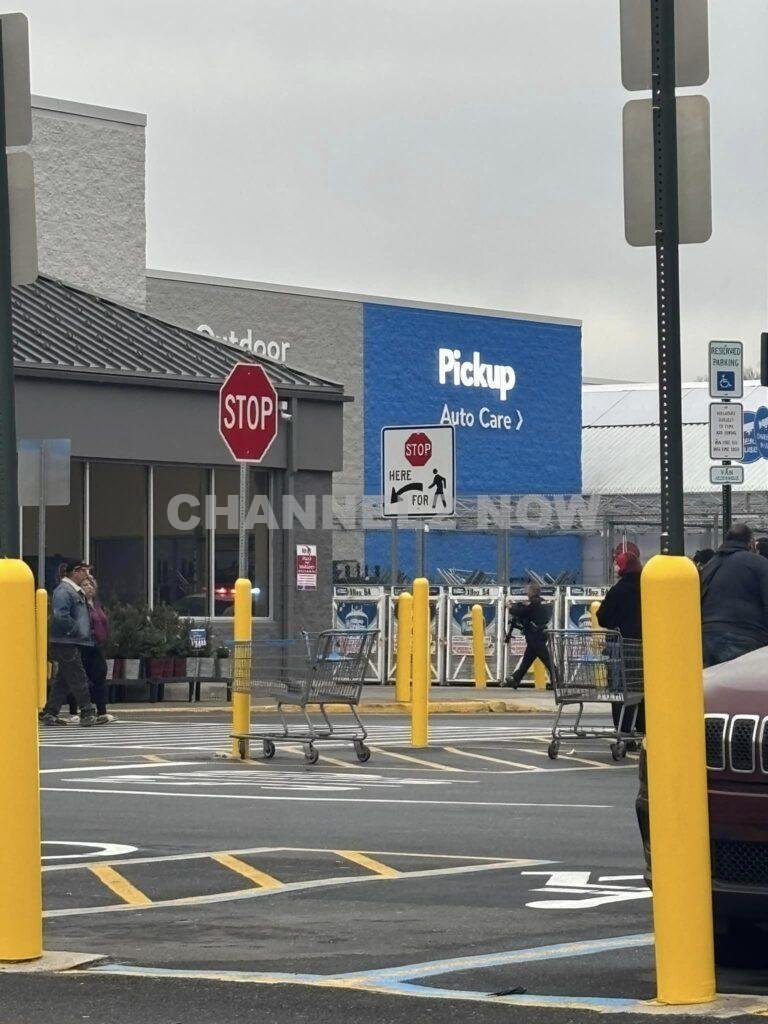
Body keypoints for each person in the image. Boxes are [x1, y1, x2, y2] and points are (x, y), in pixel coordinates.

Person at [39, 559, 98, 727]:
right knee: (78, 676)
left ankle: (50, 713)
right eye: (85, 572)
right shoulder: (64, 591)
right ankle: (87, 712)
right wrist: (76, 629)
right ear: (75, 572)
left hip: (69, 641)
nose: (88, 576)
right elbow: (60, 615)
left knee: (64, 679)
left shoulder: (73, 591)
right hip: (65, 641)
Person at [700, 522, 768, 667]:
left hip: (706, 637)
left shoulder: (709, 565)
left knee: (713, 687)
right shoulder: (759, 563)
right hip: (744, 636)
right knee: (743, 687)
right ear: (750, 543)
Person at [596, 550, 645, 735]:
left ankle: (623, 730)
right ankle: (642, 728)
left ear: (624, 566)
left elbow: (602, 616)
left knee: (619, 690)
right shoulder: (648, 585)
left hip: (621, 644)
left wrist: (615, 623)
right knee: (641, 689)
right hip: (644, 644)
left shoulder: (619, 590)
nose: (616, 567)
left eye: (617, 563)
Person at [80, 574, 116, 725]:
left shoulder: (97, 604)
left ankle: (102, 711)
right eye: (85, 585)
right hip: (85, 645)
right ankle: (80, 710)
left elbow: (104, 622)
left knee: (100, 676)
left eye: (90, 585)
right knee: (82, 679)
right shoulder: (80, 605)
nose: (88, 587)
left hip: (98, 645)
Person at [502, 583, 553, 688]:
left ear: (532, 592)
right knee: (527, 660)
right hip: (537, 636)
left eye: (528, 591)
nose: (527, 593)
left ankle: (557, 681)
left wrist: (510, 607)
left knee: (547, 660)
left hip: (536, 637)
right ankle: (516, 680)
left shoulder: (534, 603)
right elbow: (531, 611)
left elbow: (522, 613)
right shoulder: (540, 602)